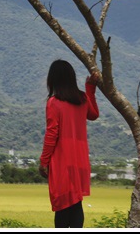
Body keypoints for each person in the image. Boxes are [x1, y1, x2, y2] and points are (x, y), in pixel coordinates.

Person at [39, 59, 100, 228]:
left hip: (62, 160)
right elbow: (94, 114)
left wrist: (44, 161)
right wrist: (90, 89)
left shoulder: (54, 102)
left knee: (62, 206)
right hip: (80, 160)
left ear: (53, 79)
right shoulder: (81, 99)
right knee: (75, 203)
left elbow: (52, 134)